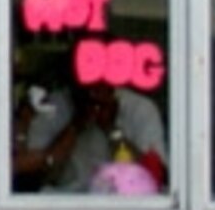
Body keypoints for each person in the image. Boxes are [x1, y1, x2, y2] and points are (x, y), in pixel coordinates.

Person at [13, 75, 169, 193]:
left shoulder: (139, 108)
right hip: (63, 202)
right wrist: (76, 125)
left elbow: (155, 177)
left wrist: (110, 128)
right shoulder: (51, 108)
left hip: (124, 204)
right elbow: (38, 178)